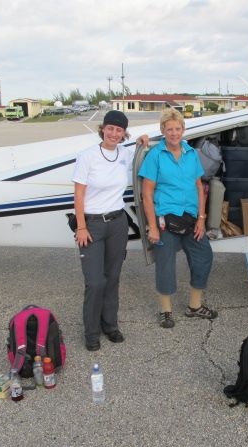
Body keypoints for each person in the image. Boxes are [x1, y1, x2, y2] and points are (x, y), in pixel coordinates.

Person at [72, 110, 148, 351]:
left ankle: (110, 325)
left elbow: (137, 151)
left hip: (117, 223)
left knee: (112, 278)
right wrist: (81, 226)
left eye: (119, 130)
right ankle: (91, 333)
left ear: (124, 133)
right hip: (92, 224)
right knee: (95, 282)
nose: (114, 133)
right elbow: (79, 193)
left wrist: (141, 141)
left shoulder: (124, 154)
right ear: (103, 129)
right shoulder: (88, 156)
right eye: (110, 128)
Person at [139, 108, 217, 328]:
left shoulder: (191, 153)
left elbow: (199, 186)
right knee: (165, 264)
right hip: (166, 219)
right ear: (162, 131)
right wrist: (152, 227)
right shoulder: (155, 155)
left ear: (183, 129)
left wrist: (201, 219)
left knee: (204, 256)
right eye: (169, 129)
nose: (174, 133)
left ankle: (194, 306)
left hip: (191, 218)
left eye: (177, 128)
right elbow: (147, 193)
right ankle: (165, 310)